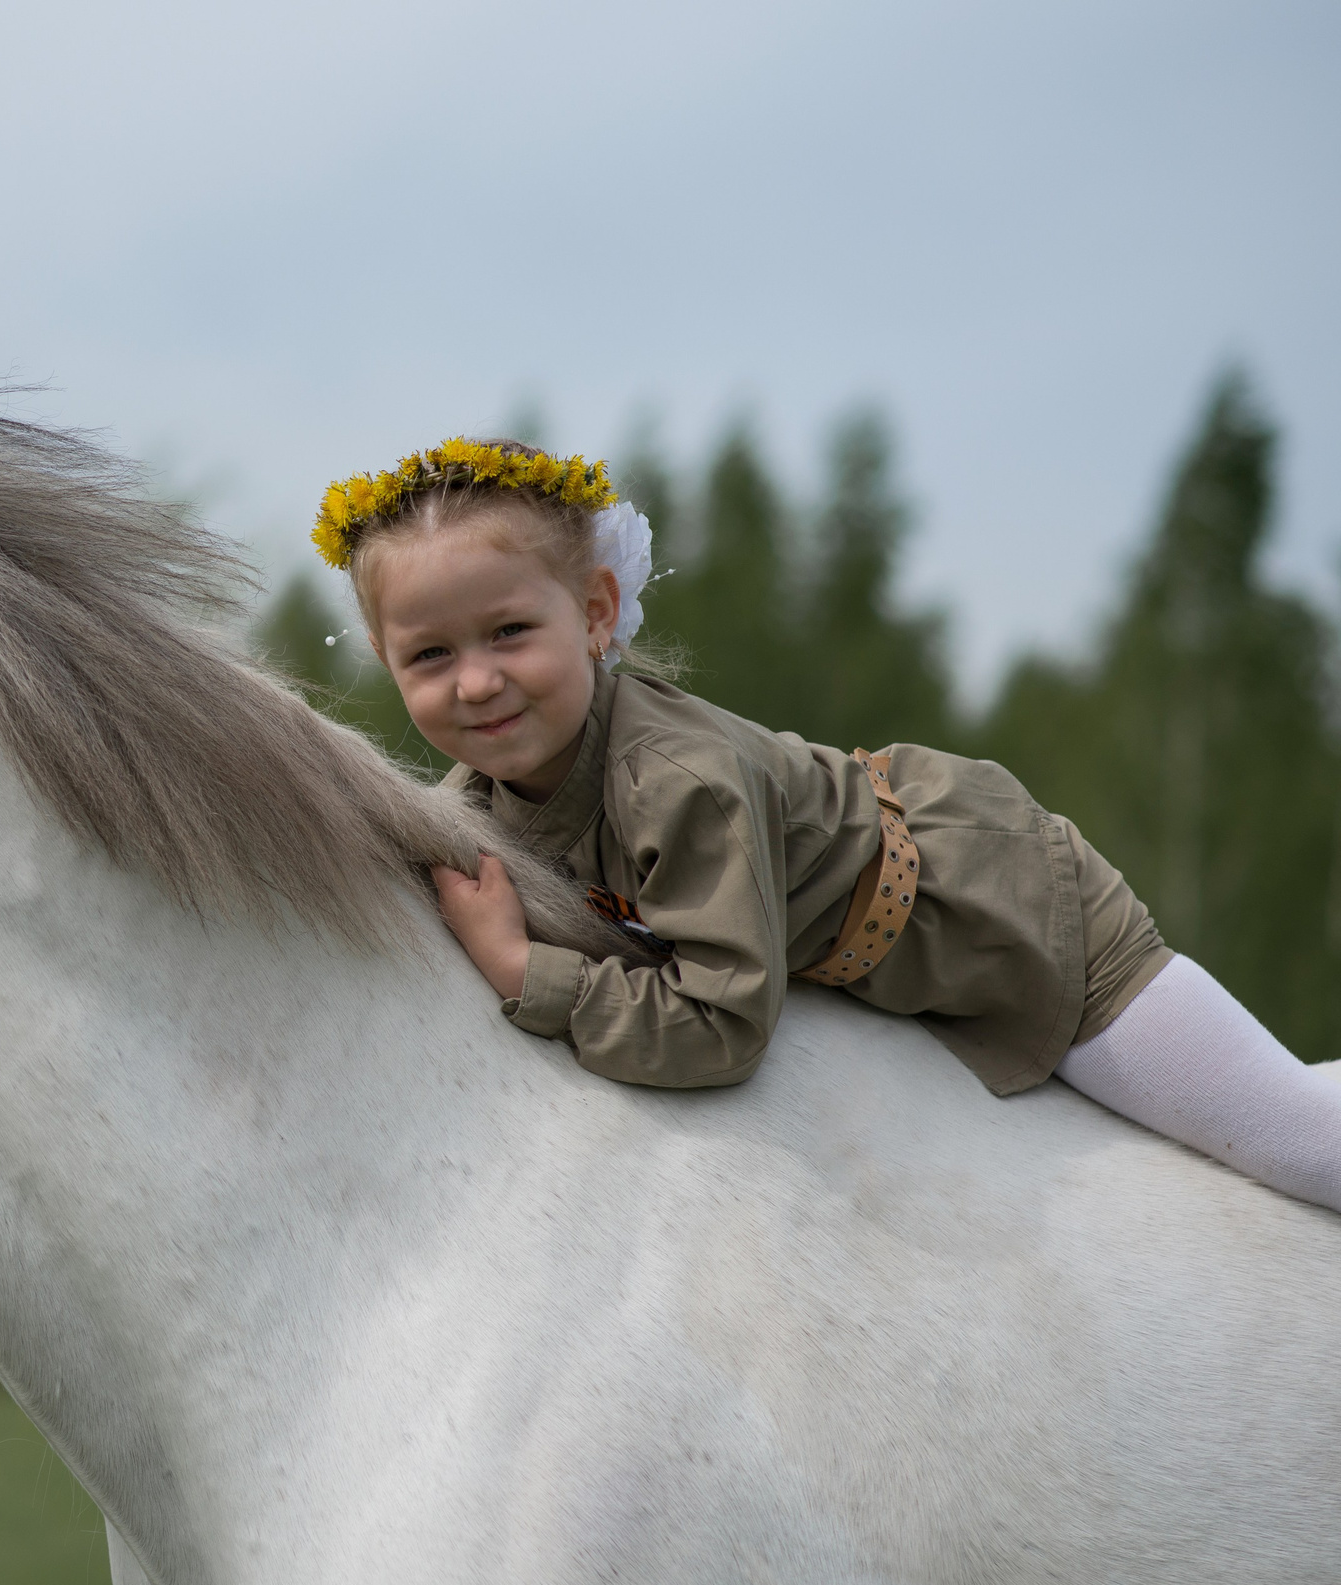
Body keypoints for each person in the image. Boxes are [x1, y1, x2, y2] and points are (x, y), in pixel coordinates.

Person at [314, 435, 1341, 1213]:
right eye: (430, 656)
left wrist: (522, 975)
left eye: (508, 631)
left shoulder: (679, 781)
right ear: (384, 659)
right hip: (873, 957)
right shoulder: (479, 799)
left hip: (1001, 909)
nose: (478, 681)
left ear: (593, 611)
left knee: (1289, 1137)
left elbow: (720, 1024)